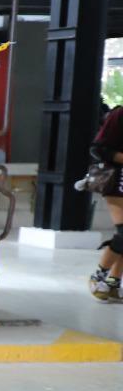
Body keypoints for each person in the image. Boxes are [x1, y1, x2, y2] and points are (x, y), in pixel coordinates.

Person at [85, 103, 123, 302]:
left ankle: (114, 283)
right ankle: (98, 276)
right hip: (117, 182)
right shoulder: (119, 114)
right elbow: (99, 149)